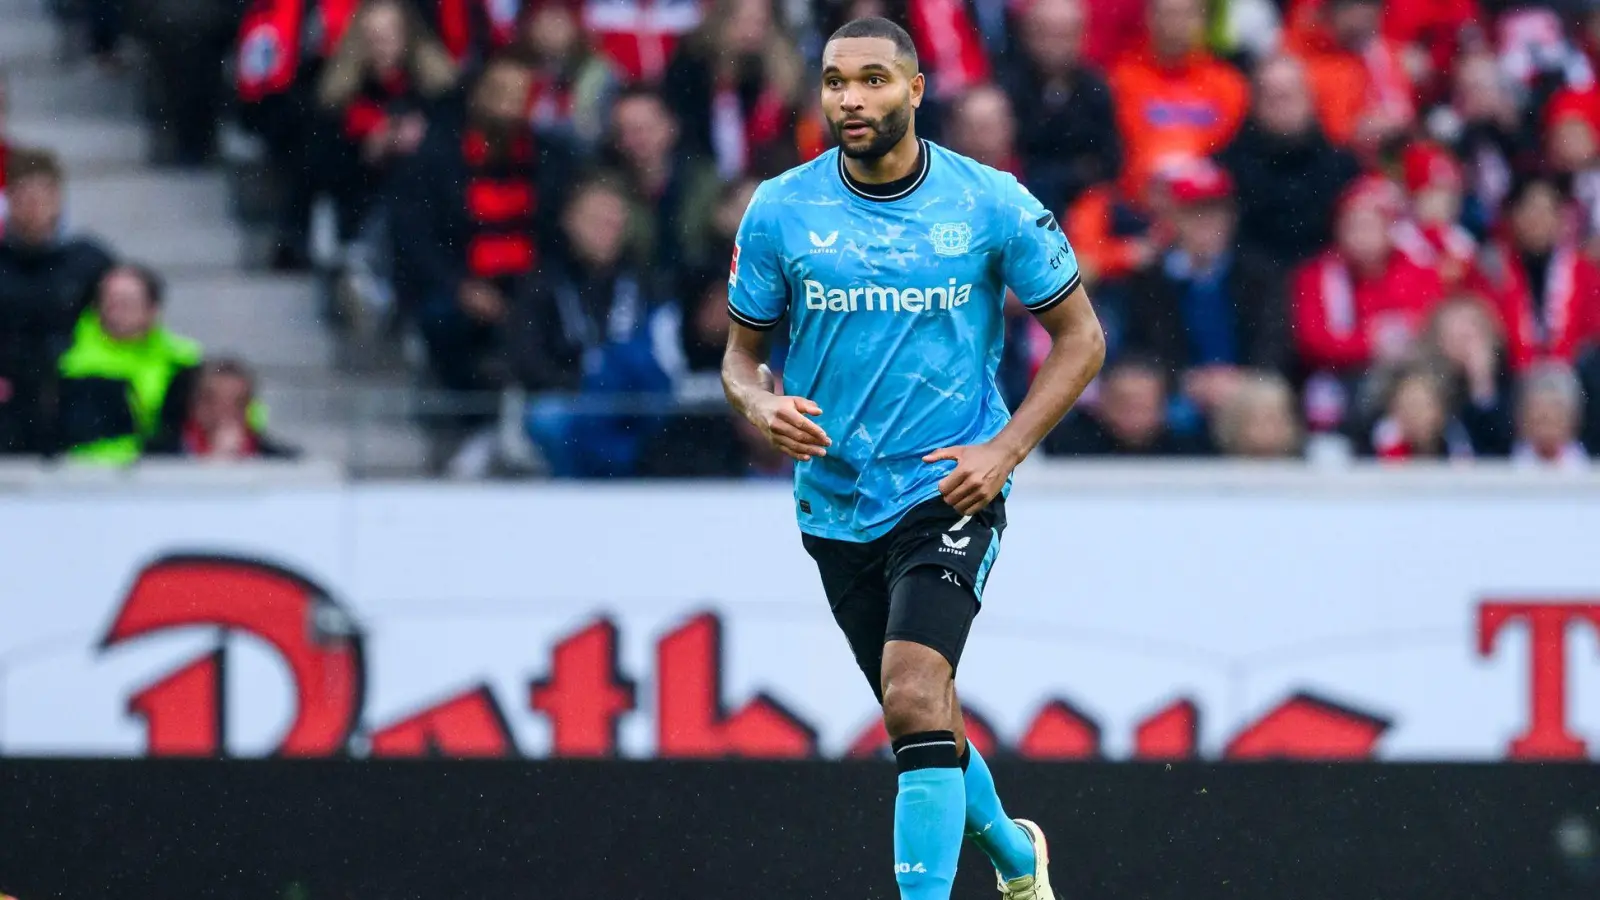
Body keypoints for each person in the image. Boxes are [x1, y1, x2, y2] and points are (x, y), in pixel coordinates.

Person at [719, 18, 1105, 900]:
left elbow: (1081, 341)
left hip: (949, 485)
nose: (851, 100)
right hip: (834, 498)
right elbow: (740, 360)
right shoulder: (782, 208)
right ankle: (1016, 858)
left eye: (872, 81)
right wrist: (760, 403)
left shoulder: (991, 202)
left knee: (912, 686)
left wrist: (1003, 452)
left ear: (917, 90)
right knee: (919, 711)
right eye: (834, 83)